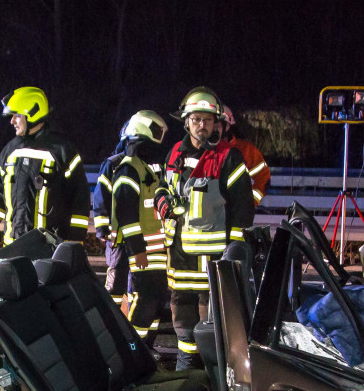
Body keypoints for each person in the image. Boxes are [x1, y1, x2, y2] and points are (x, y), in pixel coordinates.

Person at [155, 87, 255, 369]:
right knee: (181, 315)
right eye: (196, 119)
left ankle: (211, 371)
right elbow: (164, 185)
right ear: (186, 122)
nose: (202, 125)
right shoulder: (174, 153)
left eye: (208, 120)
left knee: (211, 319)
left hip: (212, 261)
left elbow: (242, 209)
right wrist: (162, 198)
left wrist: (233, 254)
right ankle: (186, 367)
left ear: (217, 123)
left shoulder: (229, 158)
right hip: (179, 256)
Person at [0, 87, 90, 249]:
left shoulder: (63, 151)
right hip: (12, 247)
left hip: (49, 250)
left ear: (33, 113)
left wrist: (75, 240)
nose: (12, 121)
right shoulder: (9, 151)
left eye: (17, 115)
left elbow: (80, 199)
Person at [109, 110, 171, 349]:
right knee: (144, 301)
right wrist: (137, 250)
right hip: (143, 251)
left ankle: (147, 347)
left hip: (156, 250)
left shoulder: (146, 168)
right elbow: (126, 214)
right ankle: (132, 348)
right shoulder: (128, 170)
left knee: (155, 300)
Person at [91, 127, 131, 307]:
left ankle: (131, 323)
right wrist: (102, 229)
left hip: (140, 237)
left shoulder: (146, 164)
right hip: (117, 236)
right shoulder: (113, 164)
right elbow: (101, 197)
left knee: (137, 284)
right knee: (116, 281)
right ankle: (113, 319)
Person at [218, 105, 271, 206]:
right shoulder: (201, 149)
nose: (214, 128)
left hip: (235, 216)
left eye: (219, 124)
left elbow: (264, 179)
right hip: (207, 215)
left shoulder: (245, 150)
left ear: (228, 125)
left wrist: (248, 204)